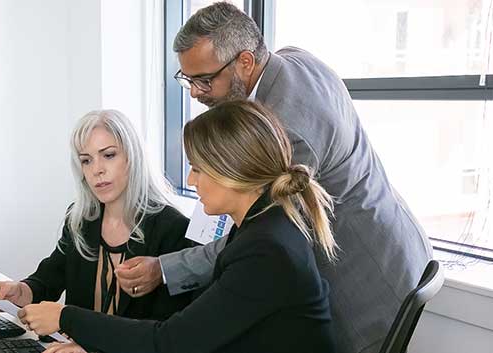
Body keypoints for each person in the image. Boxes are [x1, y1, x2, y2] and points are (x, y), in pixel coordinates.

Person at [113, 3, 433, 353]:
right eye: (187, 79)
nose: (194, 92)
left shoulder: (288, 131)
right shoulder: (290, 59)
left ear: (245, 62)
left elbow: (258, 234)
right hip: (396, 242)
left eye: (204, 79)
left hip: (367, 276)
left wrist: (165, 269)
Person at [21, 100, 337, 353]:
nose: (190, 181)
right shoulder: (260, 228)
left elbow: (171, 341)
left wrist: (66, 317)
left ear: (232, 170)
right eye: (87, 160)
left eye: (197, 169)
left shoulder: (266, 250)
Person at [0, 109, 192, 353]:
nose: (97, 170)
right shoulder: (81, 219)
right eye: (86, 160)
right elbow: (51, 276)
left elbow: (164, 333)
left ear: (133, 157)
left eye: (109, 155)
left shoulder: (172, 228)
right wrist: (22, 290)